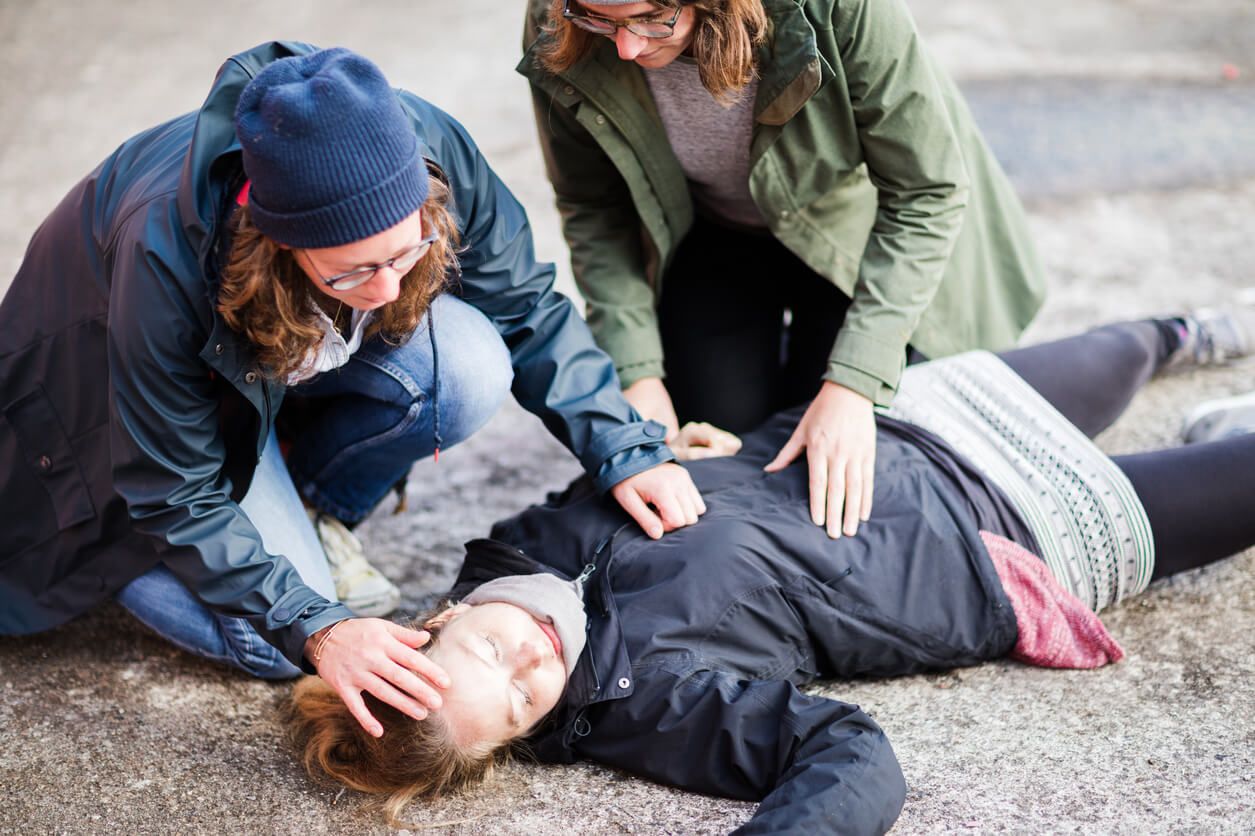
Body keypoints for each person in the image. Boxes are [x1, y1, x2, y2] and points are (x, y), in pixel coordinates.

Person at [287, 306, 1255, 833]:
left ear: (441, 616)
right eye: (517, 704)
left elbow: (648, 480)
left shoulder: (512, 547)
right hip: (996, 538)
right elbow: (850, 755)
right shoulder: (645, 702)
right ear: (521, 738)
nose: (528, 663)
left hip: (885, 430)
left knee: (1125, 344)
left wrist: (700, 451)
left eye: (490, 651)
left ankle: (1191, 341)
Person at [0, 42, 705, 739]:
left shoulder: (422, 141)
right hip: (125, 444)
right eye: (350, 272)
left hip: (257, 386)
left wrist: (622, 444)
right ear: (274, 242)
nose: (389, 289)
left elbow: (521, 304)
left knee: (467, 363)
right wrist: (317, 628)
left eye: (407, 250)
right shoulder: (162, 249)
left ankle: (304, 505)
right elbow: (175, 487)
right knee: (275, 646)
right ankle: (121, 557)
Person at [519, 0, 1049, 540]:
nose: (627, 47)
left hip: (853, 232)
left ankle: (1142, 339)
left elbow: (924, 193)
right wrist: (639, 376)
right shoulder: (559, 18)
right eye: (601, 19)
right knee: (718, 457)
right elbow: (594, 207)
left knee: (840, 469)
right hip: (712, 234)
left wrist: (854, 384)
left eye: (653, 18)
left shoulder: (839, 8)